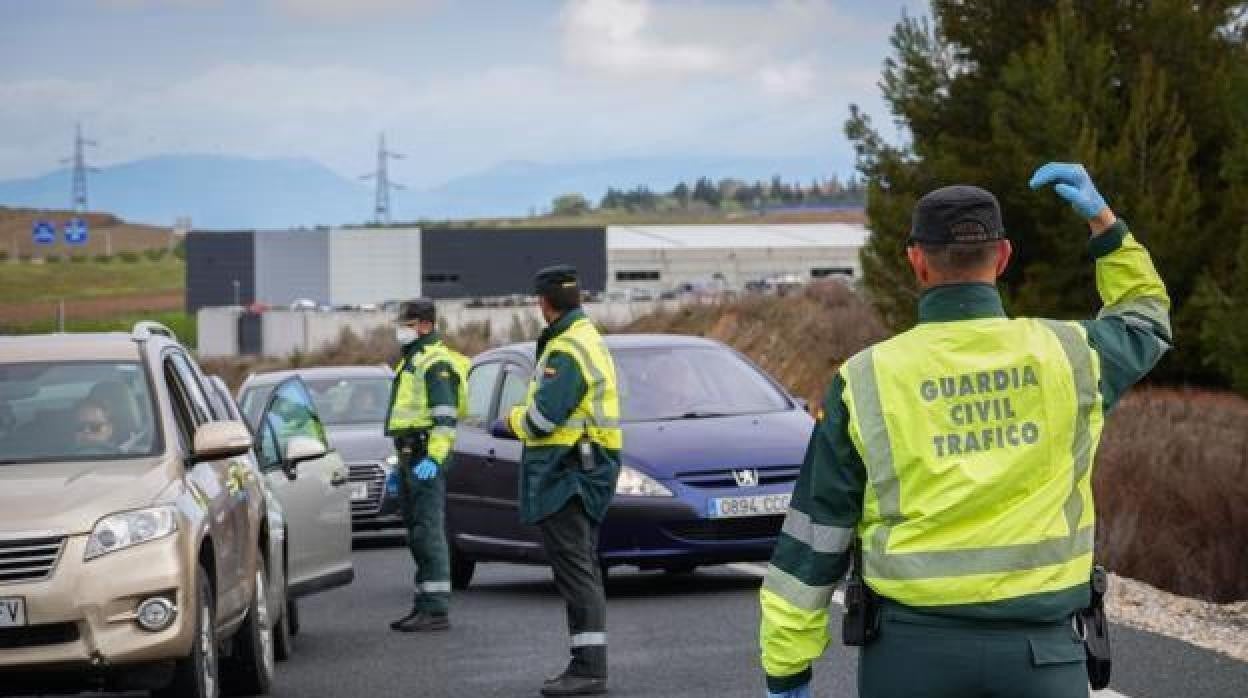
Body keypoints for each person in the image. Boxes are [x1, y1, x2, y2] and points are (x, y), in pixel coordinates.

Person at [758, 163, 1172, 698]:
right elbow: (1146, 320)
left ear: (916, 263)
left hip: (909, 659)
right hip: (1042, 657)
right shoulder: (1071, 356)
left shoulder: (864, 381)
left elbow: (816, 535)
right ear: (1002, 258)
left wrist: (787, 669)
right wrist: (1105, 225)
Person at [492, 265, 623, 696]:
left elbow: (543, 418)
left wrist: (510, 421)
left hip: (568, 473)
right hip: (584, 469)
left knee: (576, 571)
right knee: (582, 568)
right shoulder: (585, 338)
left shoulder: (566, 349)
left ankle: (588, 668)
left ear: (543, 304)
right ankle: (588, 663)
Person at [384, 298, 468, 633]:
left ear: (426, 325)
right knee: (417, 531)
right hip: (409, 454)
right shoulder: (412, 360)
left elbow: (445, 420)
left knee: (428, 530)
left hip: (423, 455)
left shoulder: (435, 362)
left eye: (407, 323)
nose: (401, 329)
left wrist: (434, 459)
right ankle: (424, 603)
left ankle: (435, 609)